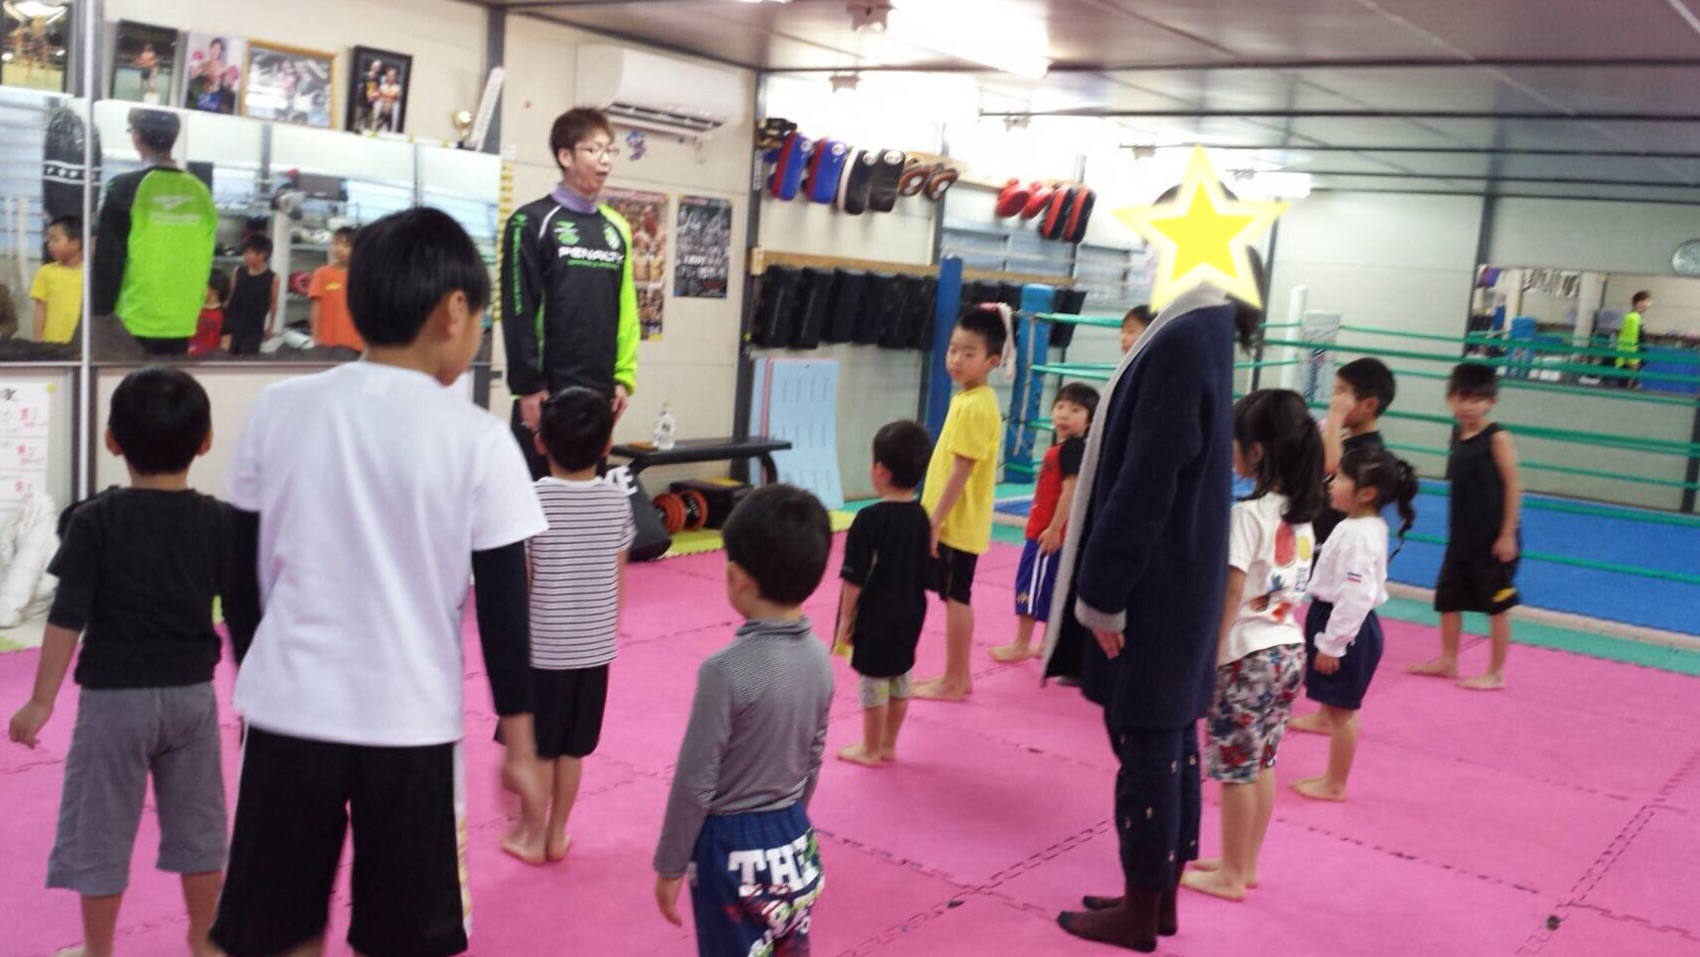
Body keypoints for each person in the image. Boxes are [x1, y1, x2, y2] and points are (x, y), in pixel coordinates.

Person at [209, 208, 548, 957]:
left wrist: (265, 675)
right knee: (405, 939)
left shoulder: (277, 409)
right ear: (452, 311)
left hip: (288, 712)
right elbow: (505, 608)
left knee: (275, 933)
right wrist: (521, 746)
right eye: (481, 318)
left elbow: (240, 580)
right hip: (411, 724)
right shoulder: (480, 439)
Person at [1047, 275, 1265, 952]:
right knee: (1169, 742)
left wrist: (1103, 592)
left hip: (1157, 588)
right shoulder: (1204, 332)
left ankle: (1141, 908)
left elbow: (1147, 479)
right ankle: (1158, 896)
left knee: (1147, 743)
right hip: (1181, 579)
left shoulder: (1185, 339)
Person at [7, 367, 232, 957]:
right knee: (201, 828)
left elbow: (66, 617)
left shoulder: (94, 520)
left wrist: (41, 700)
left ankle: (99, 949)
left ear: (111, 441)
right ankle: (205, 938)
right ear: (205, 441)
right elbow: (243, 614)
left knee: (100, 830)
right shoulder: (218, 520)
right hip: (193, 701)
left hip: (113, 704)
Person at [652, 485, 834, 957]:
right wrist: (789, 820)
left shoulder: (724, 670)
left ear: (736, 577)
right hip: (794, 836)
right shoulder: (820, 657)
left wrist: (670, 864)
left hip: (731, 848)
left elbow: (695, 781)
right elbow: (813, 758)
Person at [1181, 389, 1322, 901]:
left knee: (1235, 769)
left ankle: (1231, 876)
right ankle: (1245, 862)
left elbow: (1232, 589)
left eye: (1235, 441)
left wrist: (1211, 653)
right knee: (1262, 762)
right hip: (1289, 649)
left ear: (1256, 450)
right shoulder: (1300, 517)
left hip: (1247, 655)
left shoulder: (1249, 515)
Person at [503, 386, 634, 865]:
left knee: (539, 749)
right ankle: (557, 833)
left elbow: (522, 584)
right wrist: (607, 627)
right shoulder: (617, 501)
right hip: (594, 650)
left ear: (540, 443)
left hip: (545, 652)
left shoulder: (532, 499)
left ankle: (532, 836)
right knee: (572, 751)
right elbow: (618, 575)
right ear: (606, 446)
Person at [503, 108, 641, 479]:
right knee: (535, 503)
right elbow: (518, 309)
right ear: (565, 156)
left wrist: (622, 379)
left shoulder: (617, 227)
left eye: (610, 150)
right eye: (594, 150)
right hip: (547, 396)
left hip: (599, 397)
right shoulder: (530, 223)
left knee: (586, 503)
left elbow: (626, 309)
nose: (605, 160)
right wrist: (528, 389)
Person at [1293, 446, 1418, 803]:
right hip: (1336, 618)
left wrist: (1333, 644)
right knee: (1336, 708)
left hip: (1347, 626)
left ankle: (1335, 784)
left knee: (1343, 711)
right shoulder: (1357, 525)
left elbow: (1355, 595)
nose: (1331, 483)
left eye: (1341, 478)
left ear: (1366, 493)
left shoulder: (1360, 535)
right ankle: (1332, 776)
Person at [1408, 363, 1522, 691]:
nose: (1467, 405)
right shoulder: (1458, 434)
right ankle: (1448, 660)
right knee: (1448, 597)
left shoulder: (1496, 437)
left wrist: (1507, 534)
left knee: (1497, 605)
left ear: (1491, 402)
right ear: (1450, 399)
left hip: (1493, 536)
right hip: (1462, 535)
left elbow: (1513, 484)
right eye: (1461, 398)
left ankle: (1496, 672)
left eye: (1476, 399)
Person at [914, 305, 1006, 702]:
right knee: (955, 596)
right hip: (955, 520)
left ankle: (954, 680)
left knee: (956, 598)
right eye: (953, 349)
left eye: (969, 353)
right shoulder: (970, 398)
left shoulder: (975, 405)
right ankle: (959, 676)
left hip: (955, 522)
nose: (956, 359)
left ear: (992, 361)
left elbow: (961, 471)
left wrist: (935, 521)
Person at [835, 420, 934, 767]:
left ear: (880, 470)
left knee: (874, 681)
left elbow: (854, 577)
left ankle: (870, 748)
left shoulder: (868, 519)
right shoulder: (921, 516)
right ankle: (889, 744)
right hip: (912, 611)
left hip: (876, 614)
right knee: (900, 678)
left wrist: (846, 619)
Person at [91, 109, 218, 355]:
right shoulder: (201, 191)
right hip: (183, 319)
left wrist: (99, 313)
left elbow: (108, 258)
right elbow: (206, 252)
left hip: (134, 319)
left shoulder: (125, 187)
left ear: (137, 137)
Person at [992, 382, 1099, 663]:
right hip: (1047, 531)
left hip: (1046, 535)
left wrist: (1053, 529)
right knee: (1051, 587)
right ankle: (1046, 644)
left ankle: (1021, 643)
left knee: (1031, 585)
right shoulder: (1064, 448)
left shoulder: (1072, 449)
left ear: (1089, 421)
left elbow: (1071, 490)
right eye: (1060, 406)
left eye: (1075, 410)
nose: (1064, 414)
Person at [1312, 358, 1393, 551]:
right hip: (1319, 536)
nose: (1334, 400)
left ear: (1369, 406)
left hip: (1335, 543)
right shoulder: (1341, 438)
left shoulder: (1370, 451)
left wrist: (1335, 416)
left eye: (1341, 392)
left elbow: (1330, 465)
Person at [309, 226, 362, 353]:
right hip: (328, 343)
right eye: (336, 244)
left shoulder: (364, 275)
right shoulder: (322, 273)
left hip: (358, 343)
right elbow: (316, 308)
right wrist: (316, 336)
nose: (340, 249)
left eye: (347, 245)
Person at [30, 214, 82, 344]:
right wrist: (38, 340)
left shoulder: (90, 275)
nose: (50, 245)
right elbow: (40, 309)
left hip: (80, 344)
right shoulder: (45, 272)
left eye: (55, 240)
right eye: (49, 240)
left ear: (75, 243)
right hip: (51, 345)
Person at [224, 236, 278, 357]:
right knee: (229, 358)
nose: (245, 256)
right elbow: (230, 296)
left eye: (249, 253)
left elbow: (273, 303)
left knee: (249, 359)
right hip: (233, 324)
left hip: (254, 327)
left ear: (263, 254)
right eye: (244, 253)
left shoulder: (272, 278)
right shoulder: (238, 271)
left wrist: (271, 326)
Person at [1615, 290, 1649, 388]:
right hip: (1631, 361)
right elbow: (1630, 340)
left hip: (1633, 359)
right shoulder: (1633, 318)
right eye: (1646, 302)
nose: (1648, 305)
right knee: (1626, 387)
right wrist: (1633, 361)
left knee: (1629, 386)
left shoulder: (1635, 317)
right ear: (1639, 302)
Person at [189, 272, 227, 358]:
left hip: (211, 360)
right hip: (187, 358)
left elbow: (225, 344)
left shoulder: (224, 314)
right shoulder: (192, 310)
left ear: (214, 290)